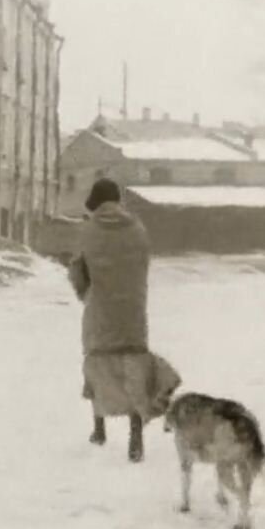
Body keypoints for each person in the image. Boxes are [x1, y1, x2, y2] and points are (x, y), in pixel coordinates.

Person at [69, 178, 180, 463]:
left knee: (98, 364)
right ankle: (136, 437)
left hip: (100, 309)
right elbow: (143, 264)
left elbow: (77, 269)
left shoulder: (89, 230)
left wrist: (87, 294)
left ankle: (99, 429)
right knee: (134, 369)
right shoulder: (137, 228)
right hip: (132, 310)